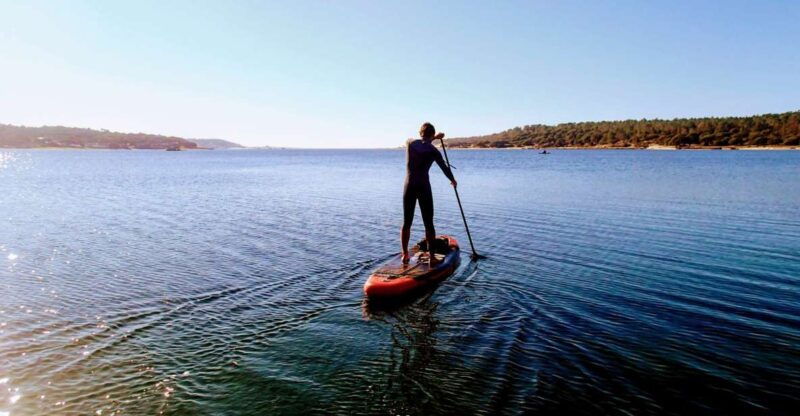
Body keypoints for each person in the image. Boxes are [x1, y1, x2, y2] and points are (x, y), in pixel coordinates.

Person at [401, 122, 457, 266]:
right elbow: (444, 168)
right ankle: (432, 257)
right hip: (423, 187)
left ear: (420, 133)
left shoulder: (409, 143)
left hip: (409, 186)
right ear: (432, 135)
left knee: (407, 222)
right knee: (428, 223)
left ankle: (405, 254)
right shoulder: (433, 151)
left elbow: (422, 141)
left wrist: (433, 137)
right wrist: (453, 180)